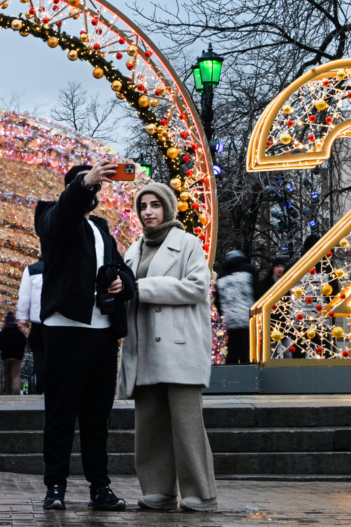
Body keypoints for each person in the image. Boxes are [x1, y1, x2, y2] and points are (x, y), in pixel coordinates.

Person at [35, 160, 136, 511]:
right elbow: (65, 213)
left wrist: (123, 283)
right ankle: (56, 486)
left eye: (96, 185)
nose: (93, 191)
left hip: (103, 333)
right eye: (85, 185)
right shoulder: (51, 218)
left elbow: (125, 271)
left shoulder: (102, 230)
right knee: (61, 414)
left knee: (97, 417)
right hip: (66, 329)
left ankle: (100, 487)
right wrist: (85, 182)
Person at [118, 182, 217, 512]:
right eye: (143, 206)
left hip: (178, 347)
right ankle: (157, 491)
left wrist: (139, 287)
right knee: (150, 428)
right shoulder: (133, 250)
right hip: (144, 347)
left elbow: (197, 287)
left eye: (155, 205)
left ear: (168, 208)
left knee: (187, 428)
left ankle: (200, 493)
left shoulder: (187, 244)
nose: (148, 211)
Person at [215, 250, 258, 364]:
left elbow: (218, 301)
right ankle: (247, 372)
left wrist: (224, 313)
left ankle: (231, 374)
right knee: (247, 349)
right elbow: (257, 291)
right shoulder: (249, 270)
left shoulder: (221, 276)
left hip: (230, 319)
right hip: (248, 316)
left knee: (232, 348)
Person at [16, 256, 46, 394]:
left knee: (39, 356)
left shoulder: (32, 270)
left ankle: (40, 388)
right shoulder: (61, 266)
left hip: (37, 320)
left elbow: (24, 296)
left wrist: (21, 317)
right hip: (56, 320)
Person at [0, 312, 27, 395]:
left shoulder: (3, 333)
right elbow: (24, 343)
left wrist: (2, 349)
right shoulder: (19, 333)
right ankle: (16, 390)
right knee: (16, 375)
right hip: (17, 357)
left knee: (7, 375)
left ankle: (9, 392)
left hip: (6, 356)